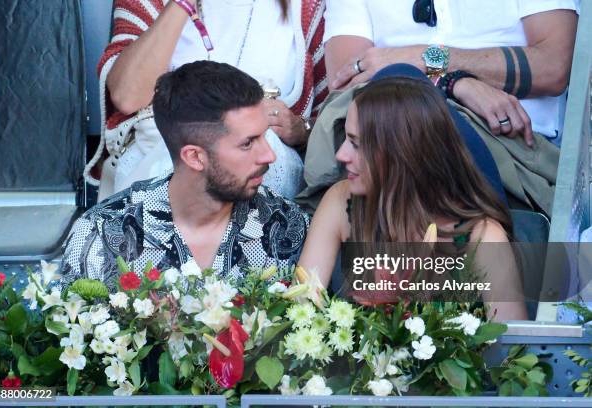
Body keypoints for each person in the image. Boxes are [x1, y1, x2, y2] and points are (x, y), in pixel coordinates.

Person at [61, 61, 310, 289]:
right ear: (194, 157)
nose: (269, 155)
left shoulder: (289, 227)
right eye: (248, 143)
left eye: (264, 136)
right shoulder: (101, 235)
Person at [298, 77, 528, 321]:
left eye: (356, 144)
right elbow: (301, 312)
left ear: (402, 153)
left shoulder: (482, 236)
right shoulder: (341, 201)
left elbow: (512, 350)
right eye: (346, 139)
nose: (341, 154)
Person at [84, 0, 327, 201]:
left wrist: (302, 128)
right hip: (162, 165)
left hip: (266, 176)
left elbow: (336, 121)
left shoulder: (308, 7)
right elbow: (127, 96)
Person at [324, 0, 579, 146]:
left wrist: (430, 58)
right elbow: (346, 86)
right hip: (390, 144)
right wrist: (451, 81)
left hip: (508, 145)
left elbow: (553, 67)